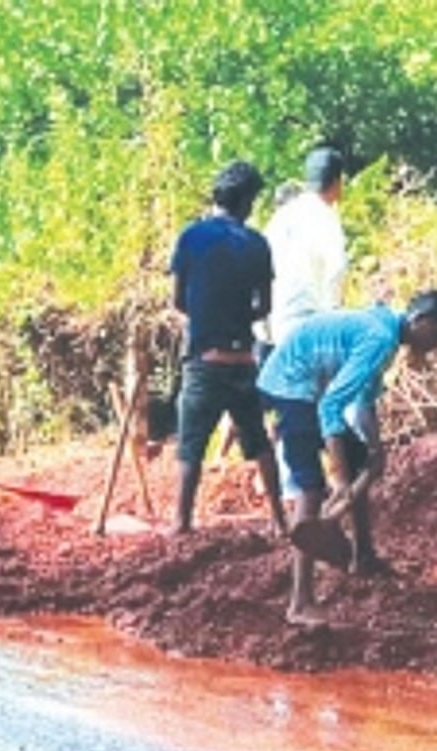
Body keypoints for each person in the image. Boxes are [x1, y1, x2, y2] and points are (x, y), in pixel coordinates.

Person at [257, 290, 437, 627]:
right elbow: (330, 407)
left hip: (311, 386)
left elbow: (365, 399)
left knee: (356, 459)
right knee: (312, 489)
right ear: (422, 321)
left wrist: (374, 448)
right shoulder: (380, 337)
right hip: (289, 385)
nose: (435, 346)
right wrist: (341, 481)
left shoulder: (385, 332)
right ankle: (300, 602)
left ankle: (362, 556)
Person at [168, 160, 287, 537]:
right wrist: (239, 315)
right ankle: (280, 521)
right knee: (259, 441)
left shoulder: (191, 237)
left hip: (205, 359)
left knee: (191, 446)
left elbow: (178, 300)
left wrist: (206, 313)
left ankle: (182, 522)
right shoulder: (257, 244)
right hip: (243, 360)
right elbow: (264, 307)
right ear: (248, 203)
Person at [259, 146, 349, 348]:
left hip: (277, 322)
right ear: (336, 182)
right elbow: (336, 269)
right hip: (310, 323)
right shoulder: (325, 216)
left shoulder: (281, 216)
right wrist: (333, 318)